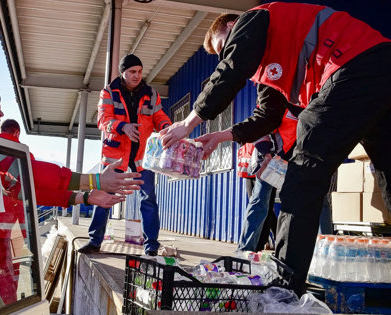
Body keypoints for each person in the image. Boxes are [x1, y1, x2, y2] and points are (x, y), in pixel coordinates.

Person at [160, 2, 391, 295]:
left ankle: (283, 287)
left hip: (354, 65)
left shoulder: (254, 18)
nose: (225, 54)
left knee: (302, 175)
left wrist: (189, 123)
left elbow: (231, 67)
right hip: (378, 70)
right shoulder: (270, 64)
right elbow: (267, 116)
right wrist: (221, 137)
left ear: (232, 28)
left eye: (224, 47)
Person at [0, 87, 144, 306]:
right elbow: (28, 172)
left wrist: (85, 197)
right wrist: (94, 181)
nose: (1, 113)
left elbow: (24, 190)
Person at [78, 54, 172, 256]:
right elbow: (104, 119)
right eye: (132, 72)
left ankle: (152, 246)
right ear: (123, 72)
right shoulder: (109, 92)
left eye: (139, 71)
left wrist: (166, 127)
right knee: (104, 197)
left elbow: (159, 116)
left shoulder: (151, 94)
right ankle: (95, 241)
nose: (137, 75)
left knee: (148, 199)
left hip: (142, 157)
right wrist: (123, 127)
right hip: (116, 156)